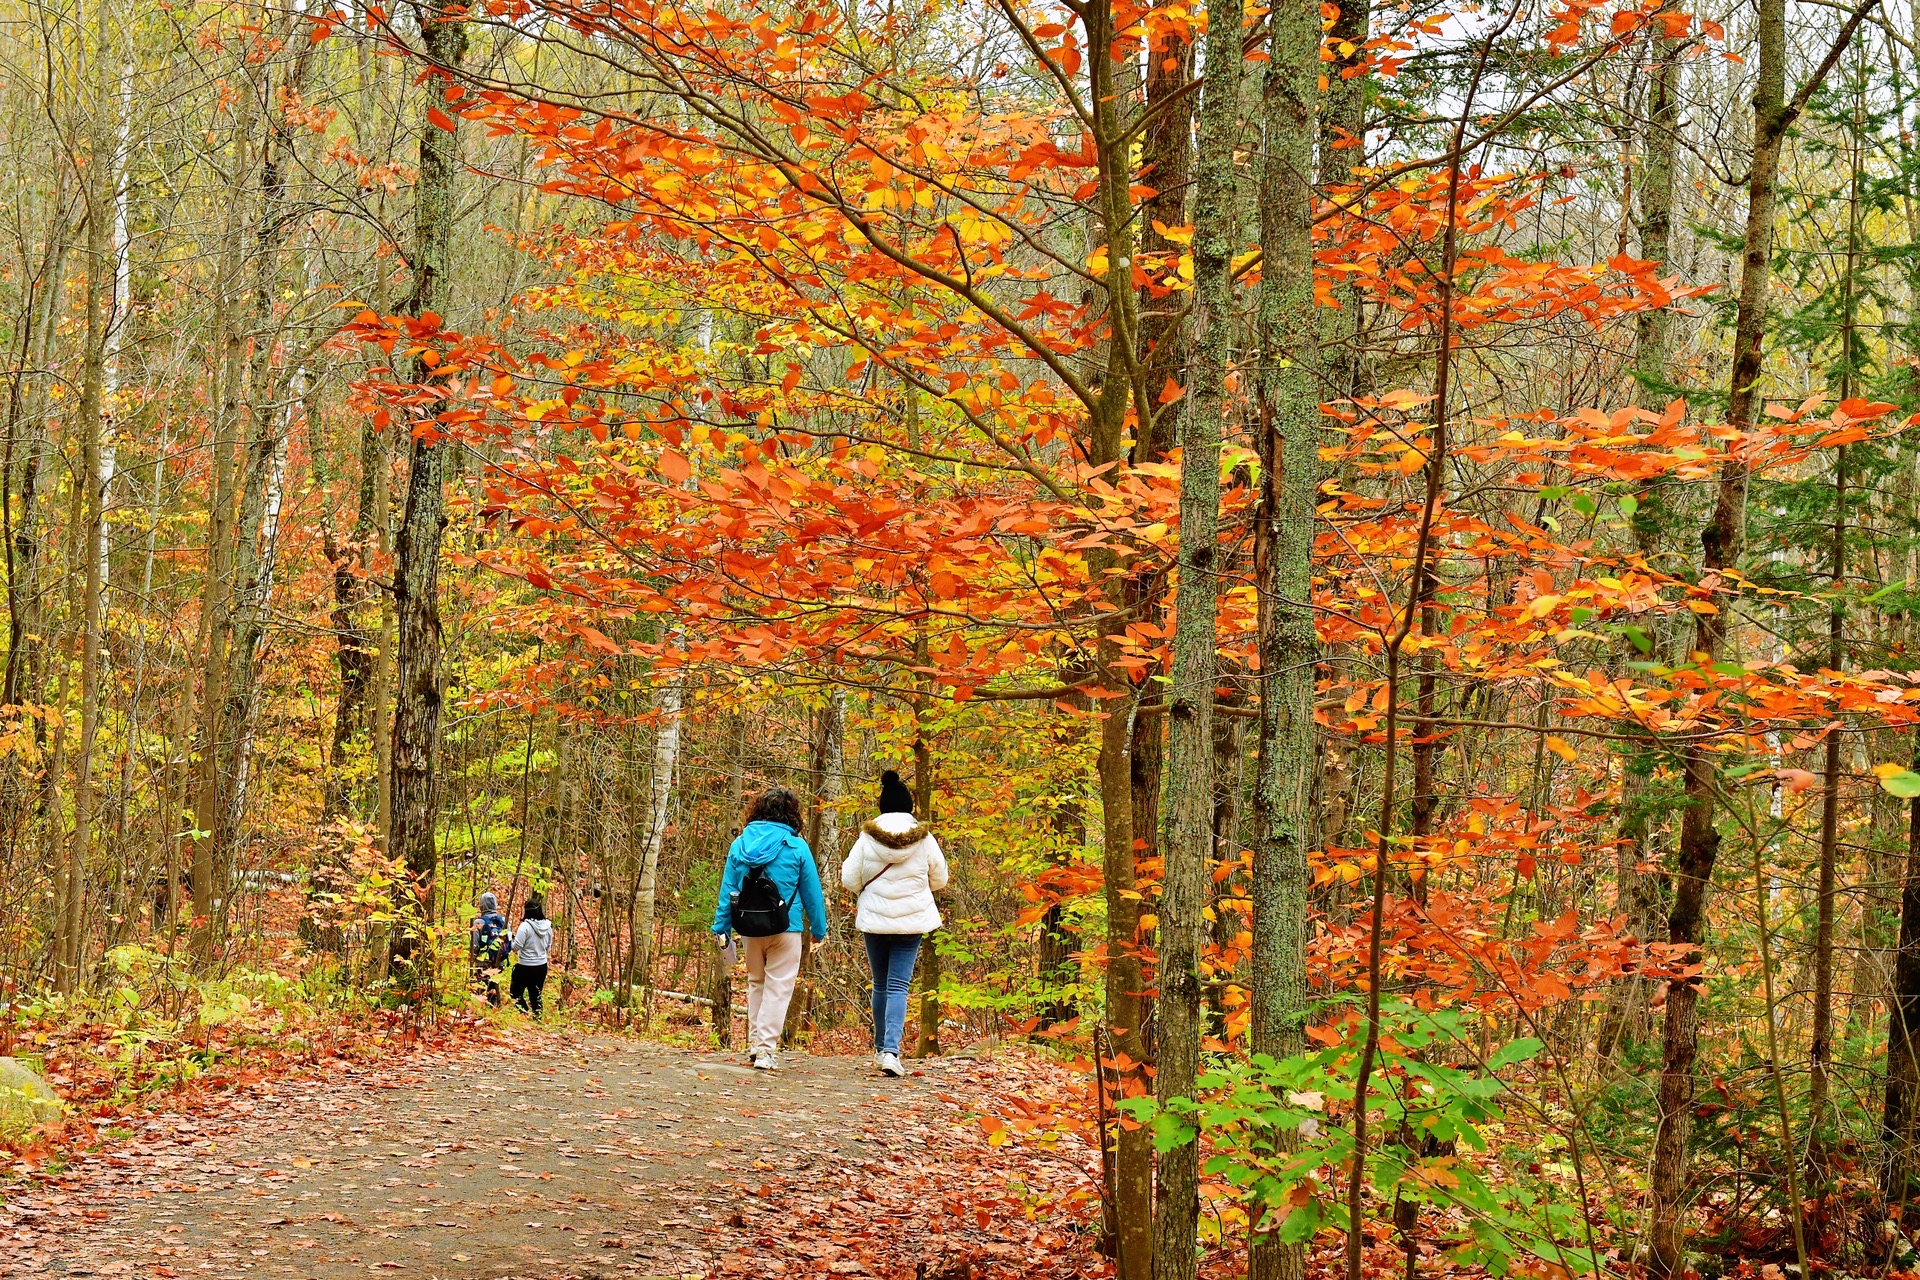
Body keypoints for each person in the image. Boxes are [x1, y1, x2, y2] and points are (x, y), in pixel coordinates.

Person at [711, 787, 829, 1070]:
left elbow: (728, 889)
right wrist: (819, 929)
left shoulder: (739, 845)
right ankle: (765, 1050)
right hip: (786, 927)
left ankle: (755, 1044)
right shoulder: (796, 846)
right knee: (778, 987)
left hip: (750, 928)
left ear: (758, 810)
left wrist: (721, 927)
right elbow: (812, 892)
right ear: (791, 814)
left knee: (757, 983)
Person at [841, 770, 947, 1077]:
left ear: (882, 806)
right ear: (910, 806)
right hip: (911, 920)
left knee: (881, 983)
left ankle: (879, 1049)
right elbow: (940, 879)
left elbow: (849, 879)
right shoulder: (924, 839)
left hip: (875, 919)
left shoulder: (866, 838)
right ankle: (890, 1051)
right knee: (899, 985)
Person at [510, 897, 553, 1018]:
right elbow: (548, 946)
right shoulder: (548, 927)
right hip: (541, 966)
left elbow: (516, 947)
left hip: (525, 966)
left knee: (515, 993)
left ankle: (524, 1014)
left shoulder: (524, 927)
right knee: (536, 995)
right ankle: (537, 1018)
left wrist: (510, 940)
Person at [471, 891, 509, 1007]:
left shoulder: (479, 922)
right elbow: (510, 940)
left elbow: (475, 945)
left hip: (483, 962)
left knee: (482, 989)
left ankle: (482, 1012)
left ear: (482, 905)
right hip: (500, 961)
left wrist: (473, 958)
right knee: (493, 986)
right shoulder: (504, 921)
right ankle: (495, 1007)